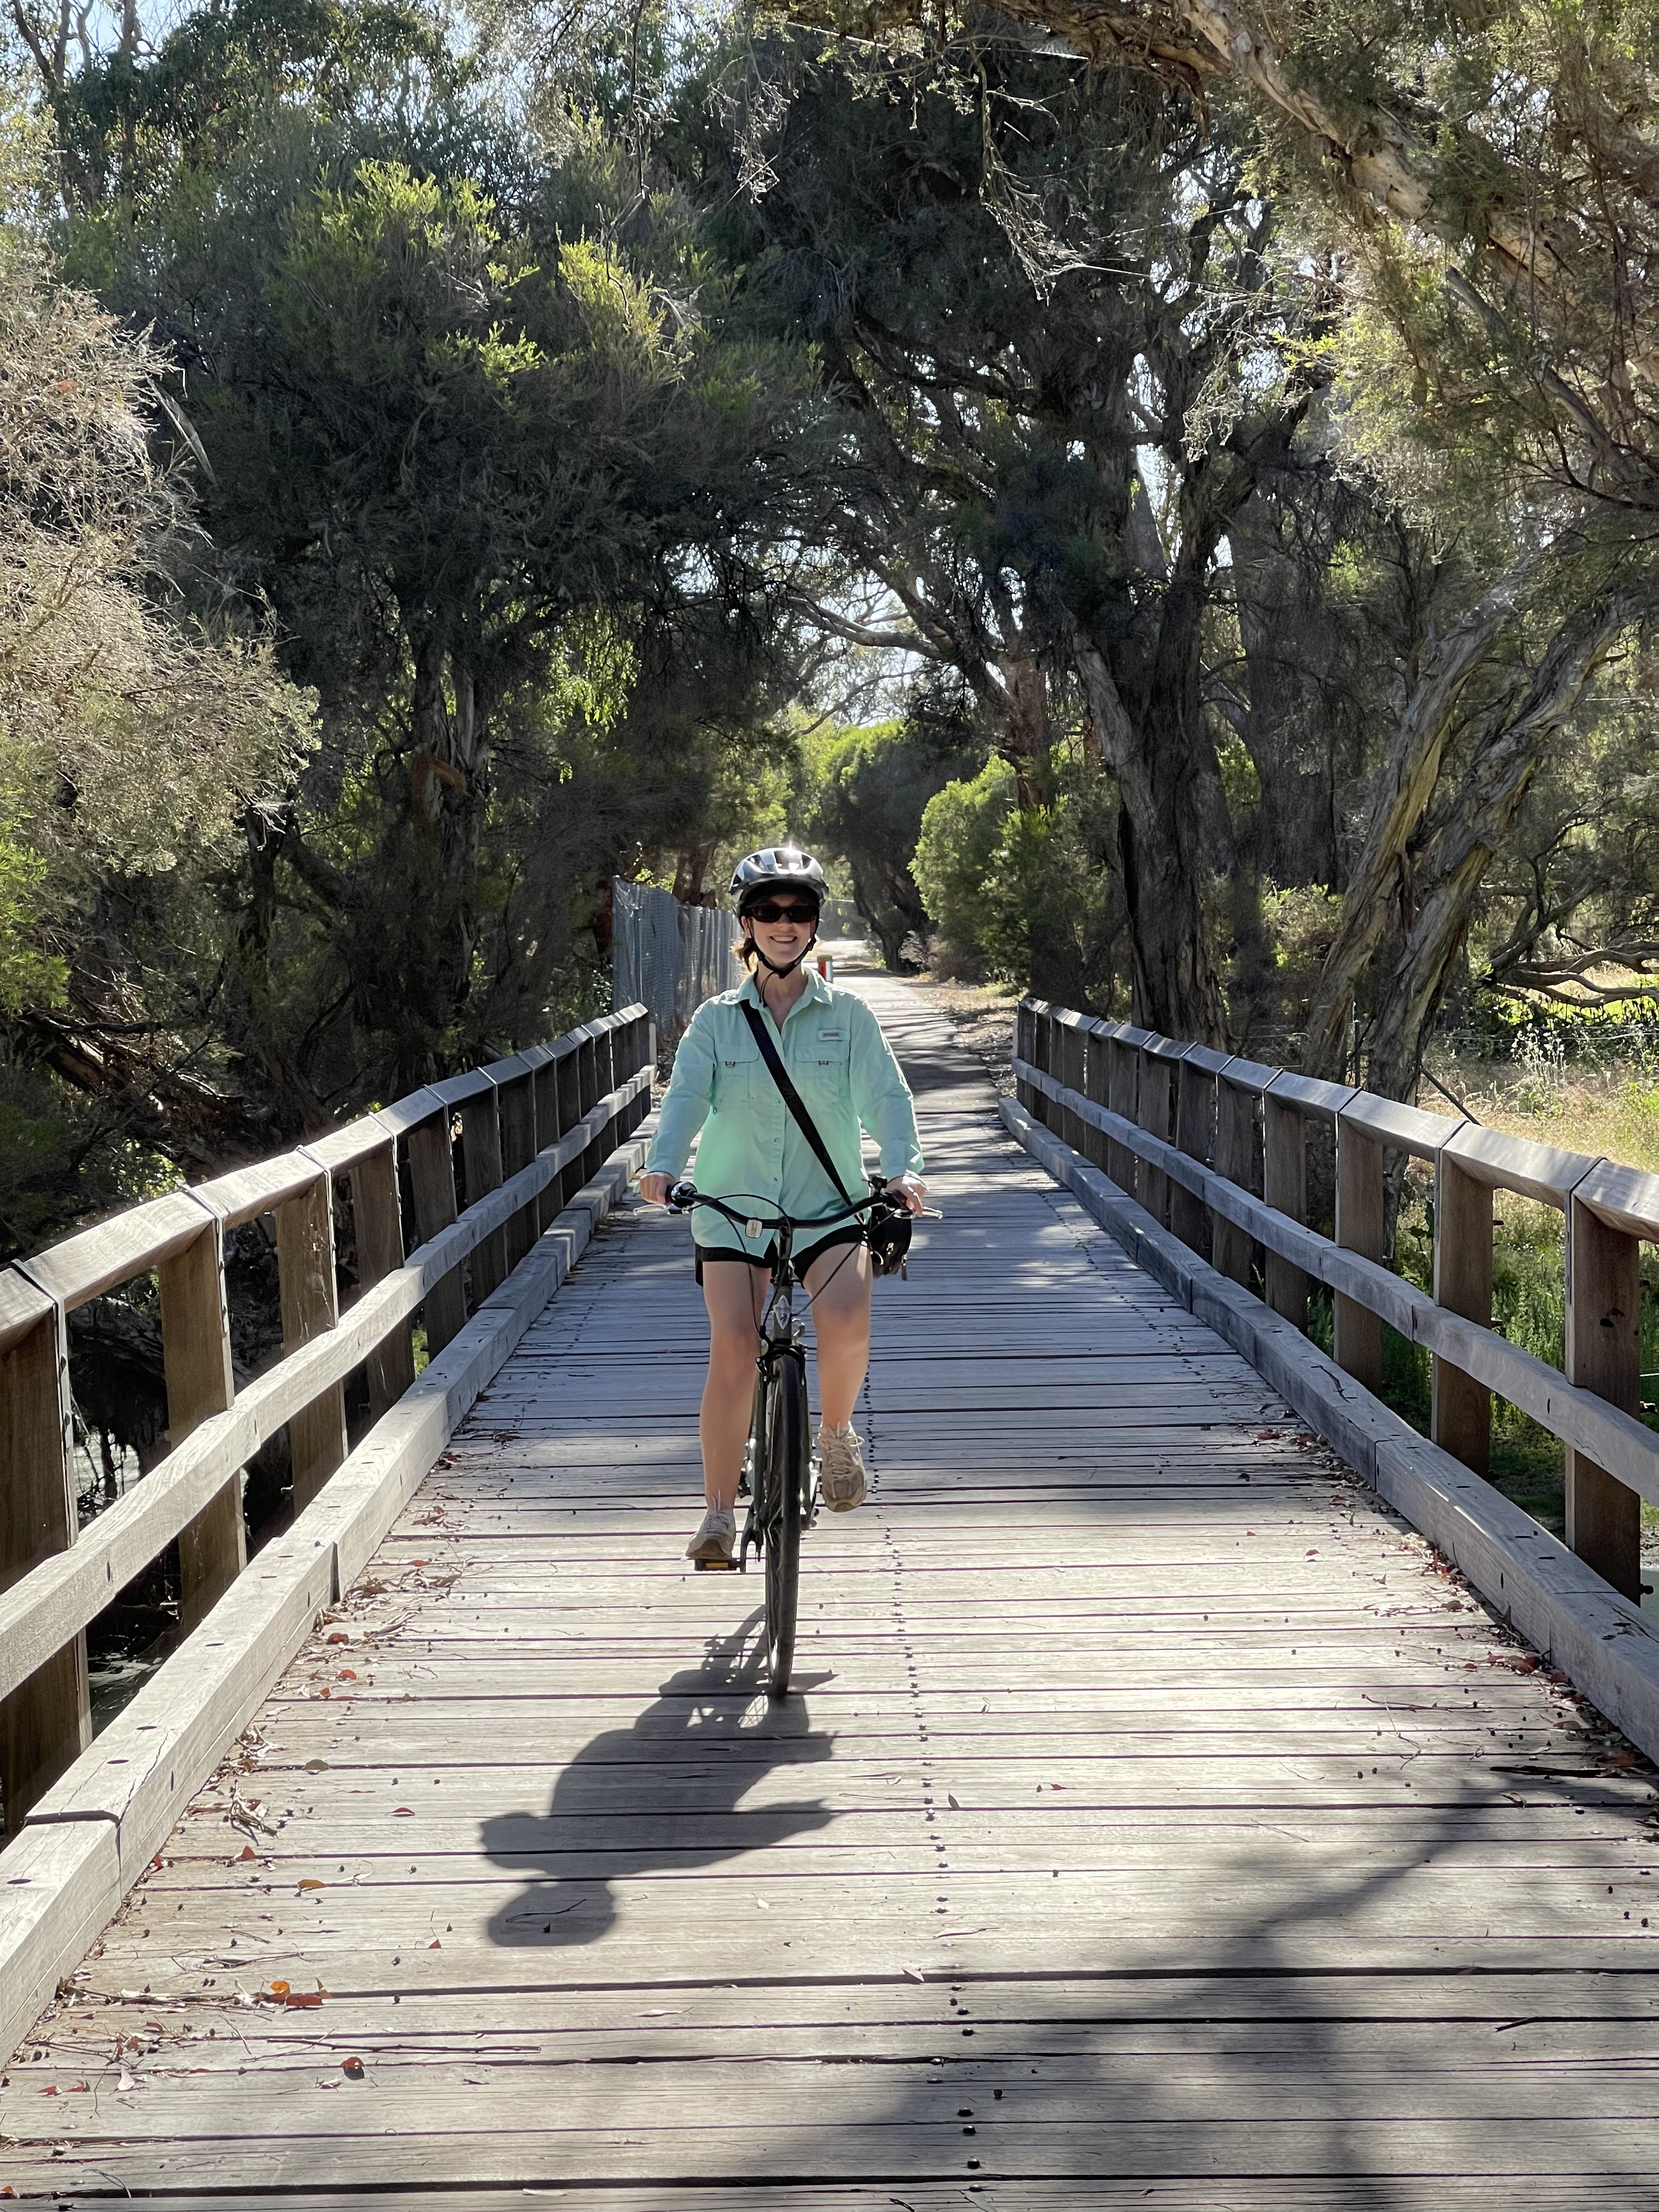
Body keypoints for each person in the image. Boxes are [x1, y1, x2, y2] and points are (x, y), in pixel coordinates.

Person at [636, 846, 927, 1564]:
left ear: (815, 924)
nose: (785, 924)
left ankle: (834, 1439)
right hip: (732, 1206)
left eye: (799, 912)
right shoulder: (715, 1022)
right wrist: (663, 1166)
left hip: (826, 1205)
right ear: (746, 923)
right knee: (734, 1346)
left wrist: (902, 1173)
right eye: (769, 911)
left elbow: (888, 1100)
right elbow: (684, 1103)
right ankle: (714, 1515)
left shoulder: (850, 1017)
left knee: (847, 1315)